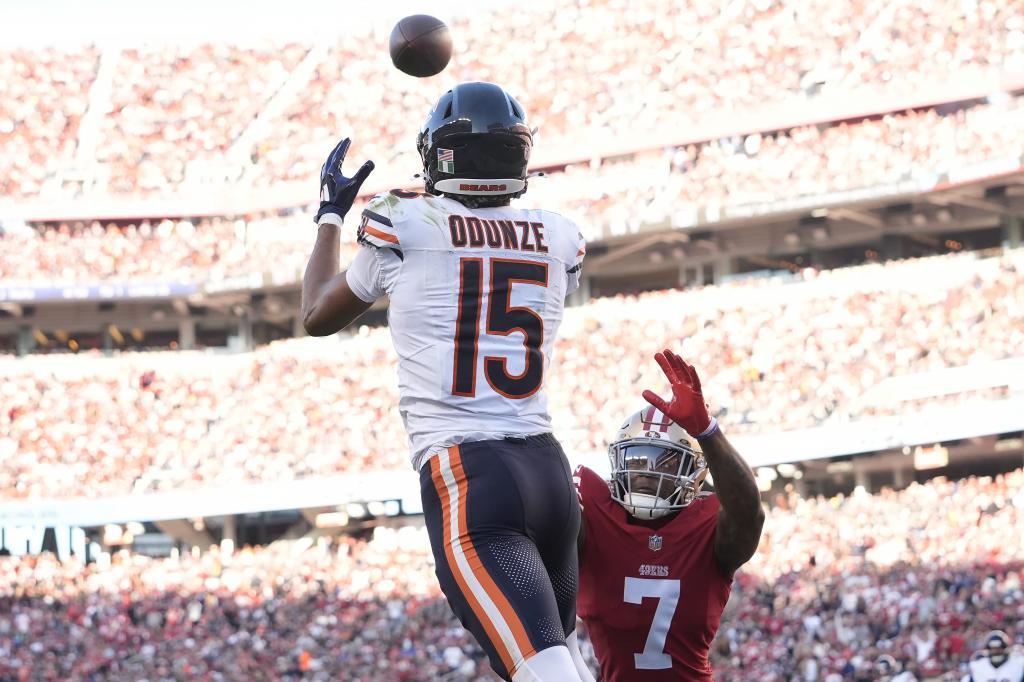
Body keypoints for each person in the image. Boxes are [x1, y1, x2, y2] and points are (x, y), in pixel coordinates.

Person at [300, 81, 591, 682]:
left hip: (472, 477)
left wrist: (330, 214)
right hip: (547, 471)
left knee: (548, 674)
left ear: (442, 156)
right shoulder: (559, 237)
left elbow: (316, 315)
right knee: (558, 663)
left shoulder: (404, 223)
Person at [575, 349, 765, 681]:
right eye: (638, 459)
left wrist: (707, 431)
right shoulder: (593, 511)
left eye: (662, 462)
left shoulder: (708, 529)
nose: (647, 473)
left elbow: (750, 513)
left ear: (695, 475)